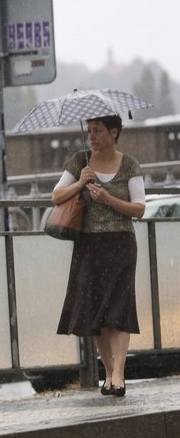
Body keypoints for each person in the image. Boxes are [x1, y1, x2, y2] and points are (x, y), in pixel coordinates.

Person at [53, 114, 145, 397]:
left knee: (119, 309)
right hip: (88, 247)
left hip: (120, 244)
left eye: (98, 131)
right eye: (90, 130)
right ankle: (108, 372)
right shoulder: (79, 161)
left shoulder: (129, 164)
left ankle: (119, 375)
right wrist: (81, 183)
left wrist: (108, 199)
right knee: (95, 313)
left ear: (114, 133)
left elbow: (139, 209)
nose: (92, 136)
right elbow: (56, 196)